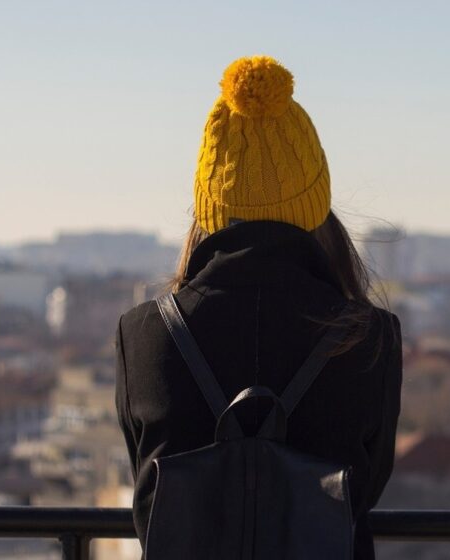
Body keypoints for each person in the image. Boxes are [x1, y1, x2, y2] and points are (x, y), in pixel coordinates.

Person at [114, 55, 402, 559]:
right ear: (316, 206)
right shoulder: (368, 338)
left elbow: (147, 493)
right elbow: (366, 491)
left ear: (208, 205)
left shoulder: (145, 334)